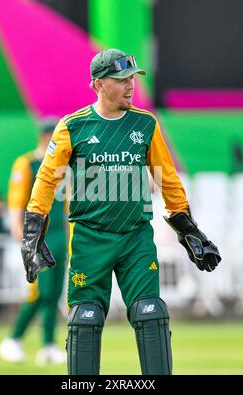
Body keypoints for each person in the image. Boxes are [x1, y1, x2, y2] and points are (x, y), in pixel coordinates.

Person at [20, 49, 221, 374]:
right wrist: (33, 232)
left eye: (132, 78)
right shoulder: (72, 127)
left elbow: (166, 178)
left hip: (136, 238)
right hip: (89, 238)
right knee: (85, 318)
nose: (130, 86)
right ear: (99, 84)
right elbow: (46, 180)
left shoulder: (146, 124)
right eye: (121, 80)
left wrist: (188, 229)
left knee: (150, 312)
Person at [0, 118, 67, 365]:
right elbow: (17, 199)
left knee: (53, 291)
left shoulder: (63, 165)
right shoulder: (27, 163)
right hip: (38, 232)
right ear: (45, 137)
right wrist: (20, 229)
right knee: (42, 290)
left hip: (60, 232)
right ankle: (24, 341)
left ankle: (35, 344)